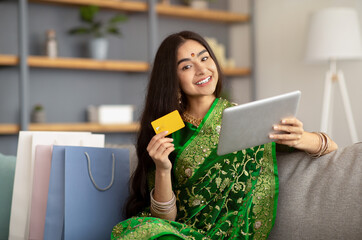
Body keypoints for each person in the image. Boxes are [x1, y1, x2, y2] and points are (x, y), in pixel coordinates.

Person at [111, 31, 338, 239]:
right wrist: (162, 168)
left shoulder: (248, 118)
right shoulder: (167, 128)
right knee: (140, 232)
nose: (201, 70)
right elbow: (163, 221)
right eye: (186, 66)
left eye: (204, 58)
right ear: (172, 79)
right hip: (180, 234)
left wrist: (300, 138)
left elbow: (330, 147)